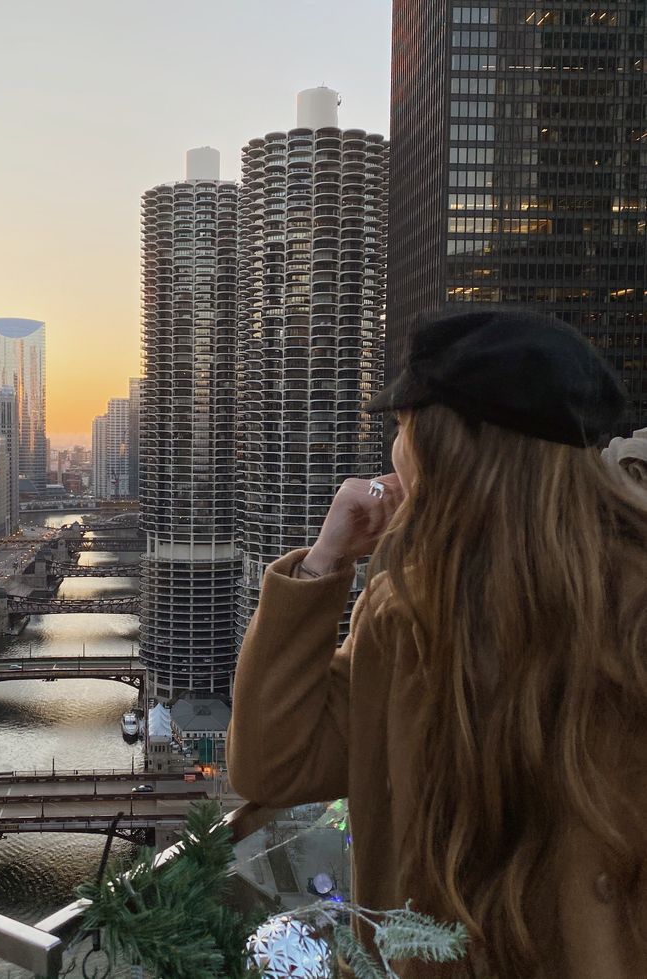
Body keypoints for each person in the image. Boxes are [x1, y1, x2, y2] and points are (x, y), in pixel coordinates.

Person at [227, 309, 647, 978]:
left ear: (451, 447)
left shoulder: (633, 620)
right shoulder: (404, 622)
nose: (395, 448)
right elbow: (271, 765)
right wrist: (322, 563)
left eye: (403, 426)